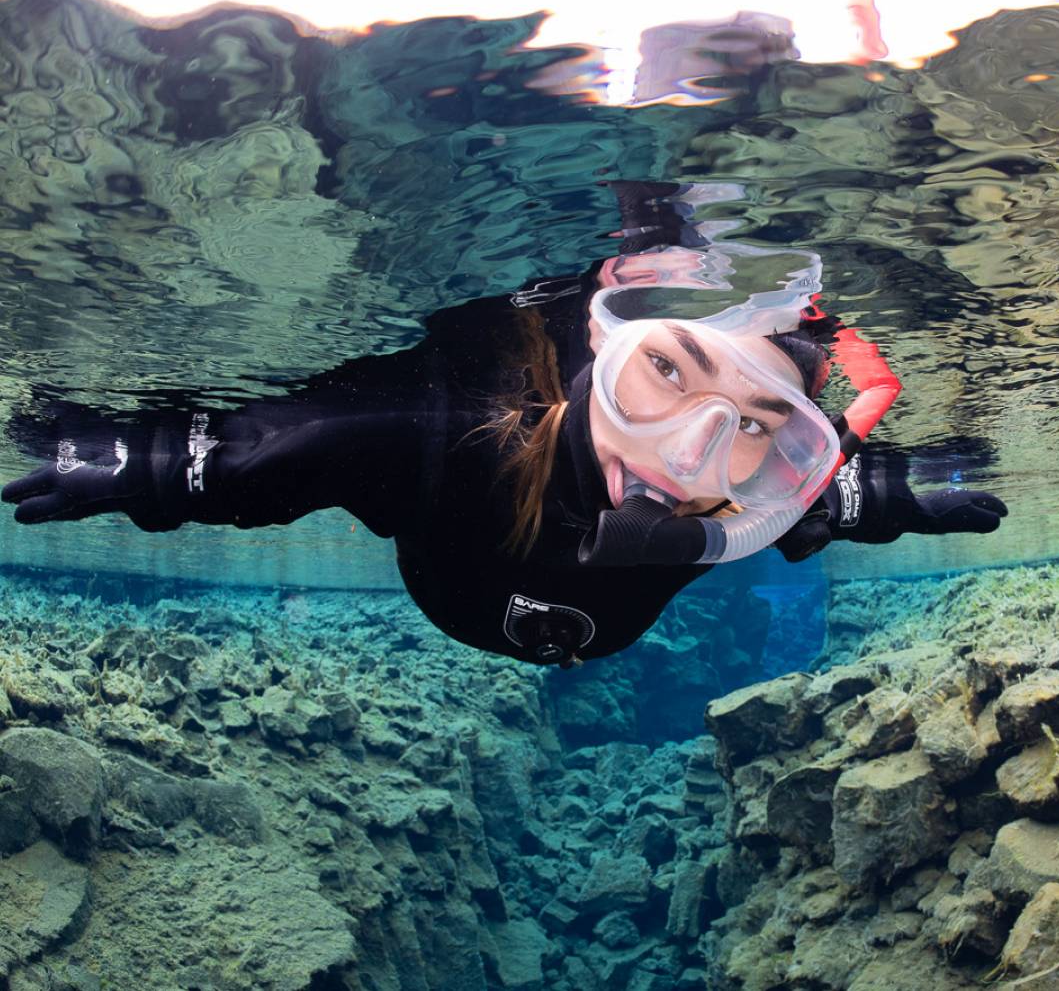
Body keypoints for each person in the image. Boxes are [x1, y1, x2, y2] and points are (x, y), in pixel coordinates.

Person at [2, 185, 1007, 667]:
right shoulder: (450, 427)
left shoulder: (761, 482)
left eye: (754, 424)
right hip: (448, 574)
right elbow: (289, 448)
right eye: (663, 370)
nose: (687, 452)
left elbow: (806, 491)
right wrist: (166, 468)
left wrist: (868, 494)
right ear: (599, 345)